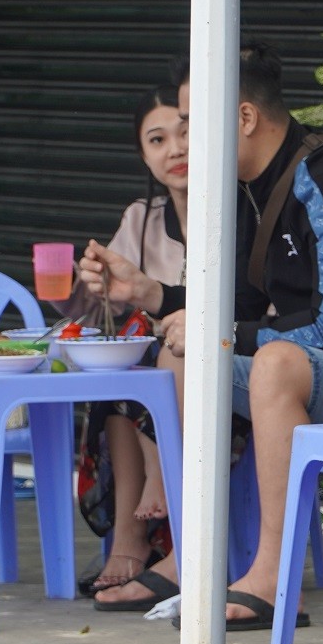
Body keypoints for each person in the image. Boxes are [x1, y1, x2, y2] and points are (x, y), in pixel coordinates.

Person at [95, 42, 323, 627]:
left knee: (273, 362)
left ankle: (273, 577)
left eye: (194, 123)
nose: (187, 141)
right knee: (181, 356)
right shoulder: (249, 185)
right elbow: (241, 307)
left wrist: (224, 331)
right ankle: (188, 554)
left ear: (244, 117)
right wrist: (155, 297)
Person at [58, 84, 191, 594]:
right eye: (157, 140)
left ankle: (135, 534)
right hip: (145, 382)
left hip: (220, 376)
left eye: (185, 133)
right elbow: (101, 312)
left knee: (158, 347)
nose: (175, 149)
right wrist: (83, 286)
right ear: (144, 155)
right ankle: (127, 542)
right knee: (120, 359)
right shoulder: (141, 219)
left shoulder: (239, 211)